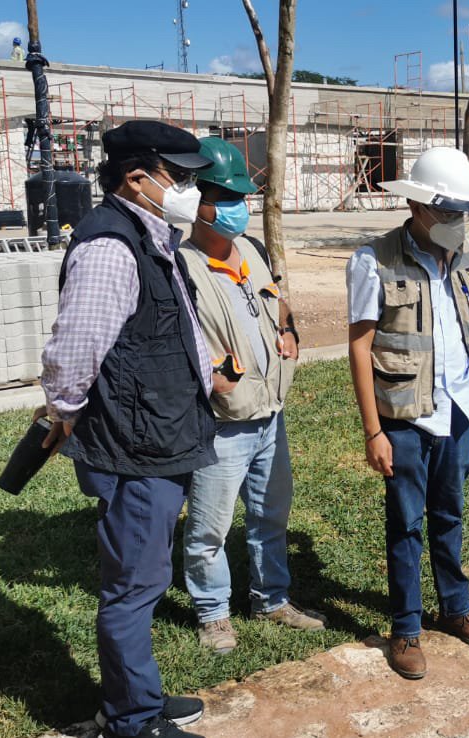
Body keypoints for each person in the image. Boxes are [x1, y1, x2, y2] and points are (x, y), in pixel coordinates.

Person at [39, 120, 217, 738]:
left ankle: (136, 696)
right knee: (134, 588)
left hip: (161, 435)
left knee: (144, 579)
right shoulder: (111, 245)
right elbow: (73, 351)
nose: (192, 186)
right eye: (183, 176)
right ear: (138, 178)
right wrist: (66, 411)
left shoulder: (151, 233)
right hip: (133, 446)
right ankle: (132, 720)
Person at [346, 146, 469, 680]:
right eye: (448, 213)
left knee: (450, 515)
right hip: (405, 418)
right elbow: (360, 346)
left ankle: (456, 610)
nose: (458, 224)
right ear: (417, 208)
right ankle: (406, 627)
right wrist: (374, 431)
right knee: (406, 523)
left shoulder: (462, 252)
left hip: (457, 412)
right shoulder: (374, 260)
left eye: (464, 214)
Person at [178, 137, 325, 655]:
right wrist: (209, 380)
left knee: (270, 516)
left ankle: (272, 598)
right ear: (195, 201)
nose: (236, 207)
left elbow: (278, 303)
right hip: (222, 422)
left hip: (271, 414)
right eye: (223, 195)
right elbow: (173, 343)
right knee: (209, 528)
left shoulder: (253, 252)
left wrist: (290, 333)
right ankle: (213, 613)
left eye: (240, 195)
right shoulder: (181, 267)